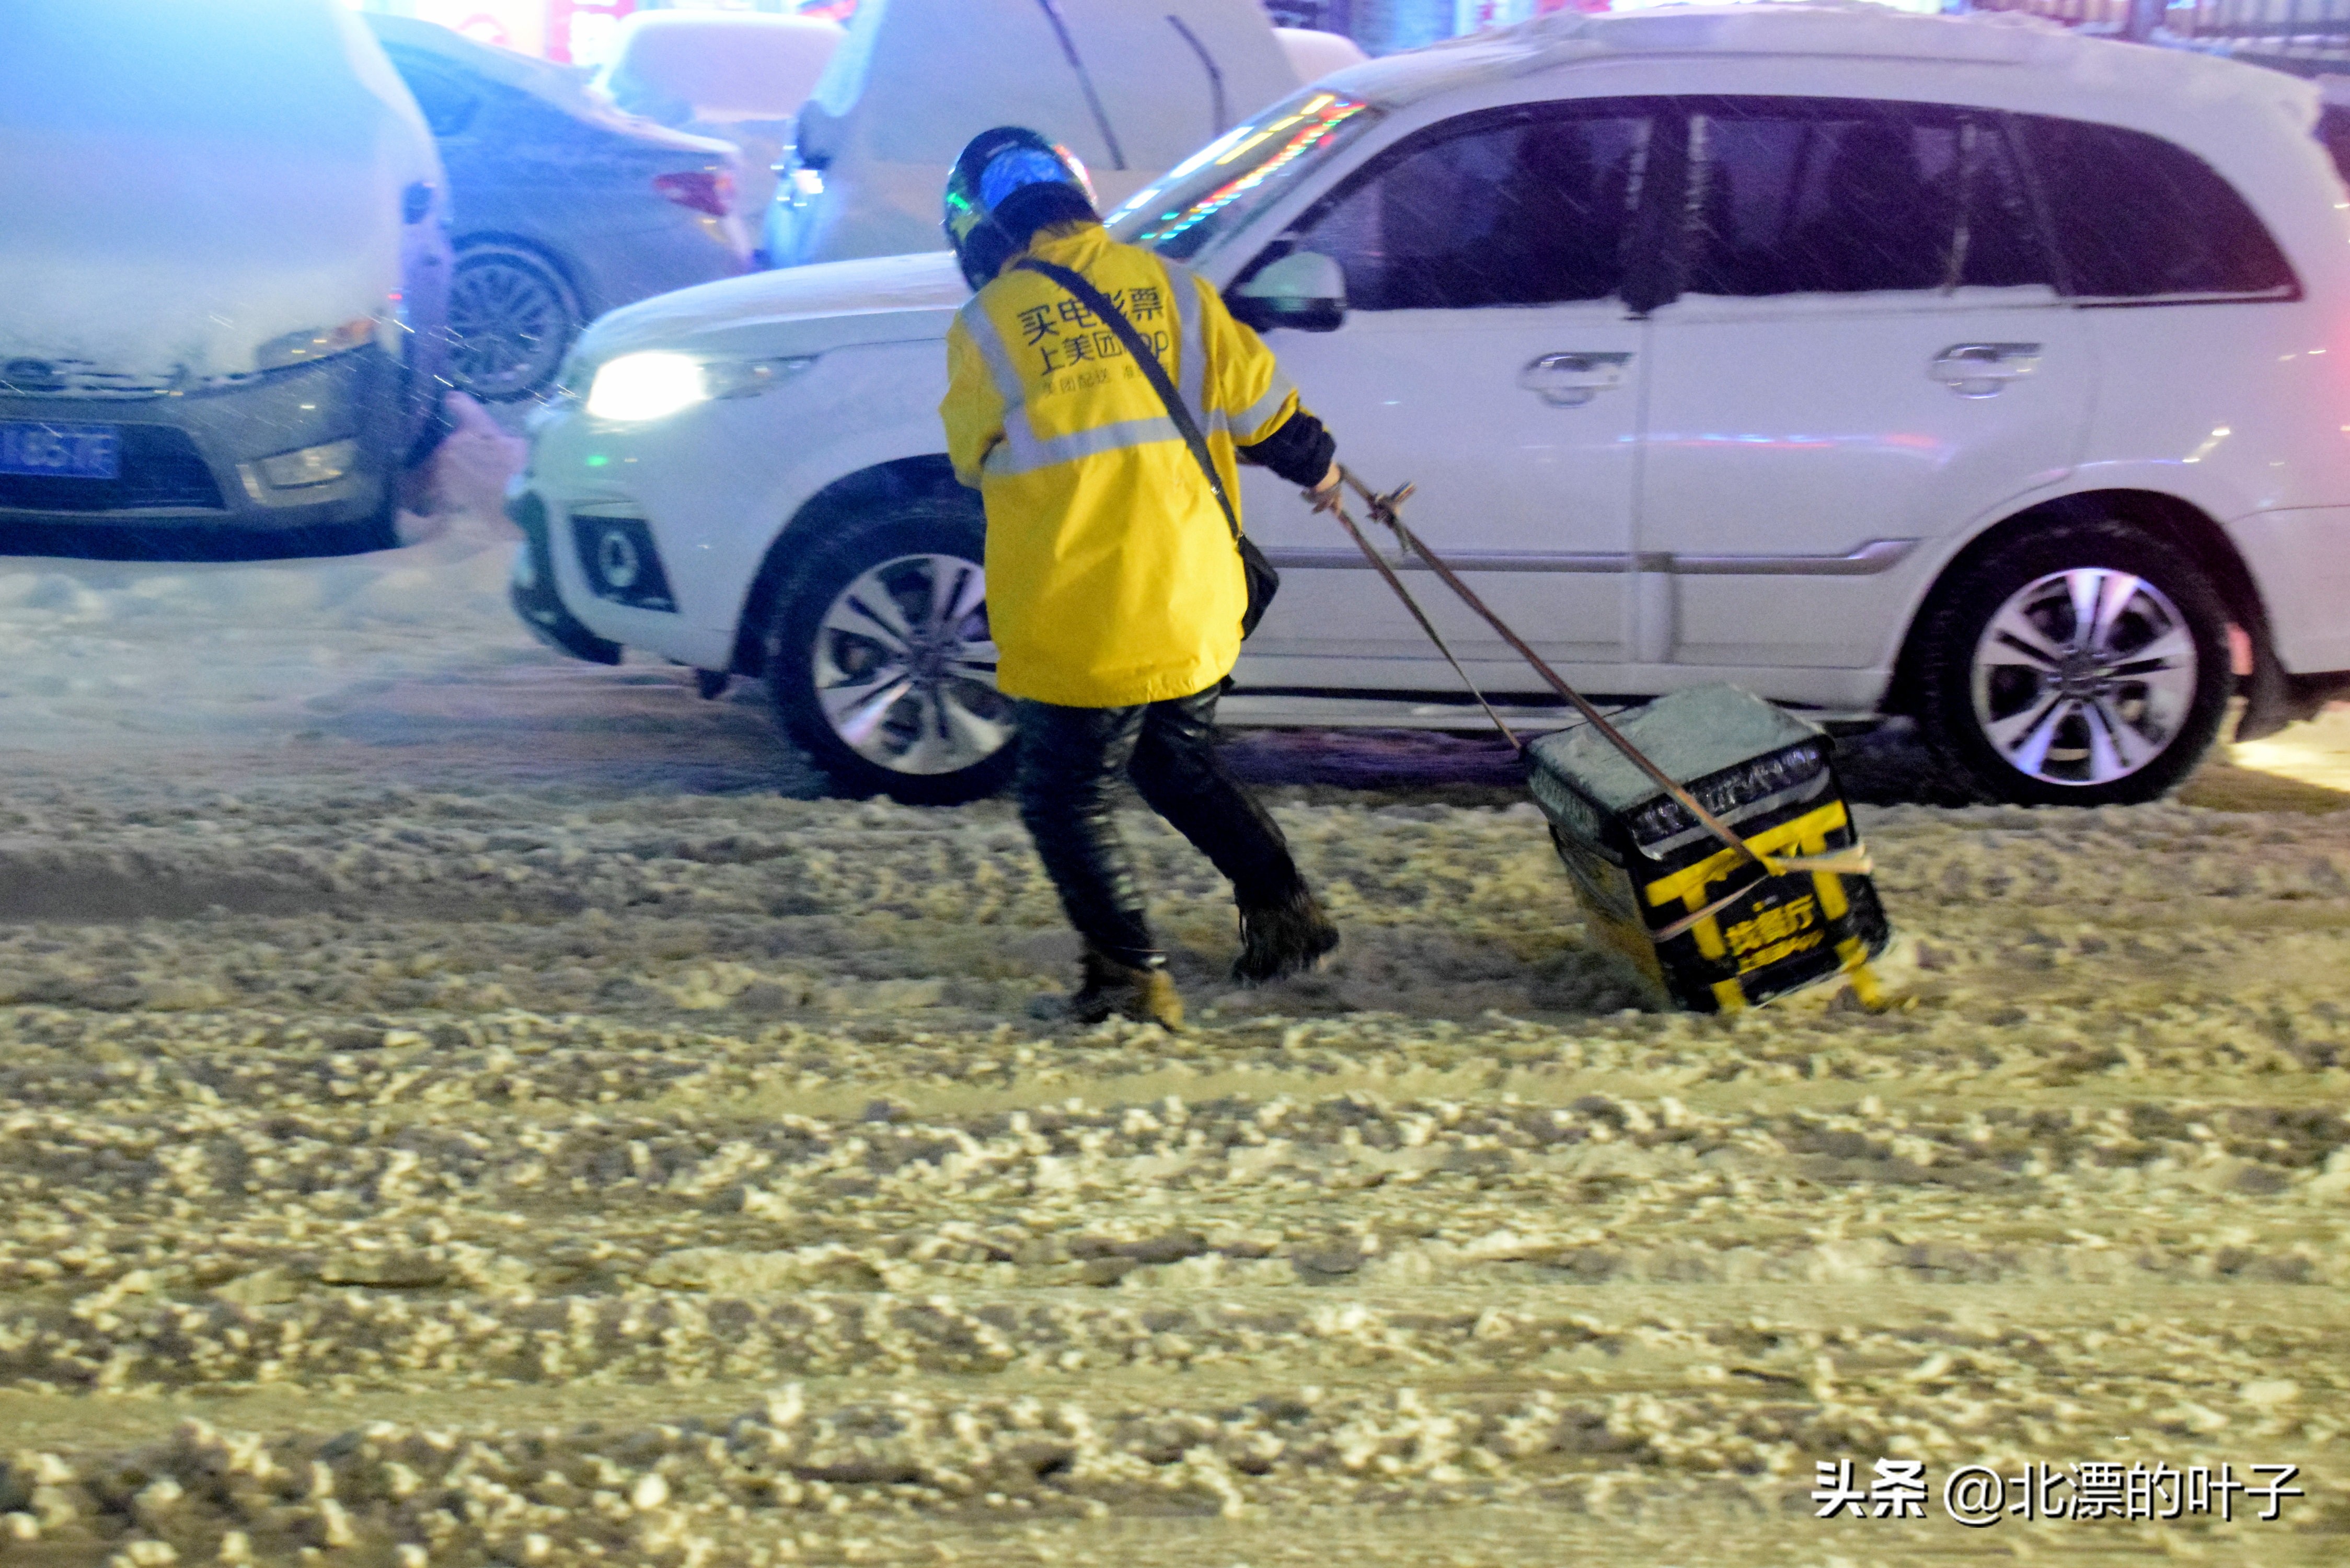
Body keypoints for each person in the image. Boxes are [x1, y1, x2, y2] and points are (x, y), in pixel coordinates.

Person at [938, 126, 1343, 1030]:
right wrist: (1323, 472)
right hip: (1197, 600)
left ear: (986, 234)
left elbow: (971, 454)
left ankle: (1128, 979)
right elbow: (1268, 414)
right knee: (1173, 760)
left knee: (1063, 797)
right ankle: (1288, 914)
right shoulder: (1178, 291)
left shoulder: (987, 328)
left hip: (1087, 610)